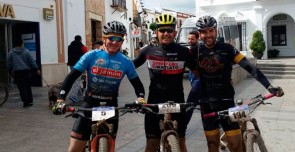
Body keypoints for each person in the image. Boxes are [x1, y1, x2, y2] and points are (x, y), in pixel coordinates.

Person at [191, 15, 284, 152]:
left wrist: (269, 86)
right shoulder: (194, 52)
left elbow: (250, 68)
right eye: (204, 32)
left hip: (227, 103)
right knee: (212, 145)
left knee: (236, 146)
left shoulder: (227, 49)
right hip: (206, 105)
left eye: (211, 31)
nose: (208, 35)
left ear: (216, 30)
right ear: (200, 34)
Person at [53, 21, 145, 152]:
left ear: (122, 41)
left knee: (109, 148)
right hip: (89, 104)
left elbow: (138, 85)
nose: (114, 42)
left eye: (118, 39)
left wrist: (140, 98)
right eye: (111, 38)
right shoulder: (91, 56)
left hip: (111, 106)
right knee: (74, 149)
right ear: (104, 38)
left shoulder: (126, 62)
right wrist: (60, 99)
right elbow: (71, 77)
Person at [133, 13, 198, 152]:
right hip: (154, 103)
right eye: (162, 30)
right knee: (151, 144)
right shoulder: (148, 51)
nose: (166, 33)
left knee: (180, 142)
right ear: (156, 32)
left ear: (175, 32)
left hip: (177, 102)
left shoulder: (183, 52)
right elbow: (127, 68)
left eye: (169, 30)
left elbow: (199, 73)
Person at [6, 36, 41, 108]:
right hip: (26, 71)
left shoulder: (11, 52)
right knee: (28, 86)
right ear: (22, 43)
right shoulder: (26, 51)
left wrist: (10, 70)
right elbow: (32, 61)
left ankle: (26, 103)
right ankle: (30, 101)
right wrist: (37, 68)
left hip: (17, 72)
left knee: (21, 88)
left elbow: (8, 63)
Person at [185, 30, 201, 126]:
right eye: (189, 39)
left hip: (198, 81)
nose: (190, 40)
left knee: (189, 105)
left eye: (192, 39)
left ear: (197, 39)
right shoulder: (190, 50)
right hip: (193, 79)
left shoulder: (199, 50)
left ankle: (183, 126)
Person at [67, 35, 88, 102]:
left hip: (71, 65)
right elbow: (86, 56)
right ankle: (73, 96)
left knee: (75, 79)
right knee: (77, 80)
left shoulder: (69, 47)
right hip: (79, 65)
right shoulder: (82, 47)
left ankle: (80, 96)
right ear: (80, 40)